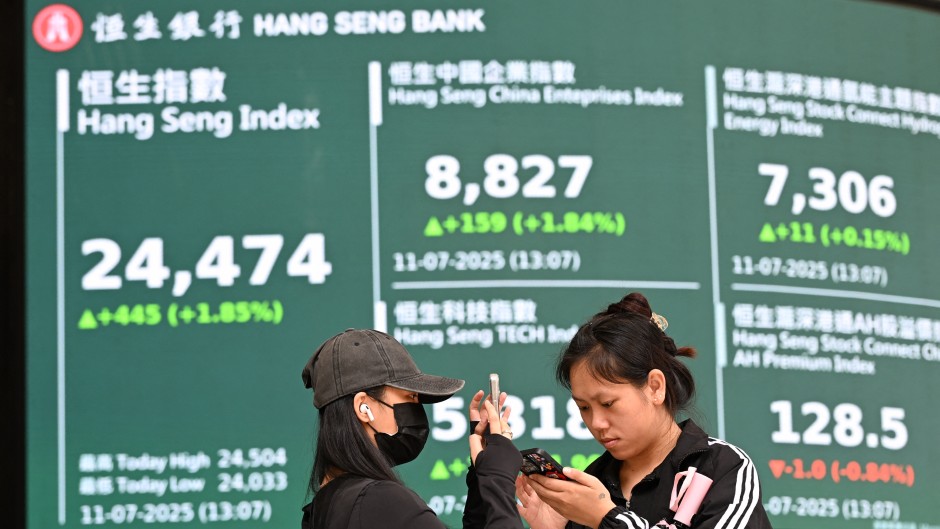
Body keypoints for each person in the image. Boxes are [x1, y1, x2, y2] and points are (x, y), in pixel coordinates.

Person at [516, 293, 772, 529]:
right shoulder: (590, 488)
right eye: (583, 407)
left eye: (608, 403)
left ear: (655, 387)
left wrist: (607, 518)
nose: (596, 423)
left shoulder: (723, 467)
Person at [300, 328, 524, 529]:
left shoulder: (324, 506)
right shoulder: (382, 501)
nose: (417, 410)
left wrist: (481, 481)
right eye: (410, 397)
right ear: (363, 407)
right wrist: (498, 480)